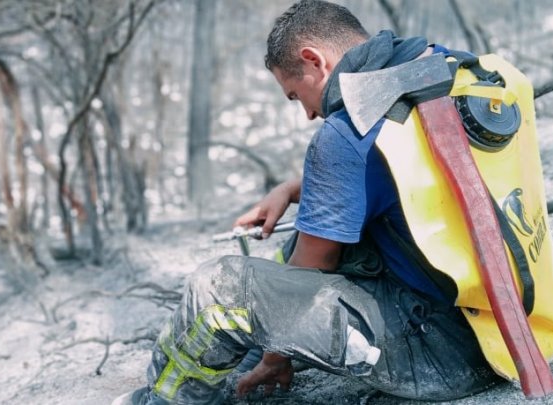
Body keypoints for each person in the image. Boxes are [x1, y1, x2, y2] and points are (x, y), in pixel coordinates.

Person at [112, 1, 510, 403]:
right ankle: (244, 361)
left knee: (218, 290)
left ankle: (162, 399)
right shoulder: (446, 75)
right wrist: (293, 187)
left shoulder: (347, 130)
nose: (306, 113)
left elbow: (310, 270)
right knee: (296, 250)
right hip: (510, 328)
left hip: (442, 358)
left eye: (295, 94)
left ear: (313, 60)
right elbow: (402, 170)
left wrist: (275, 356)